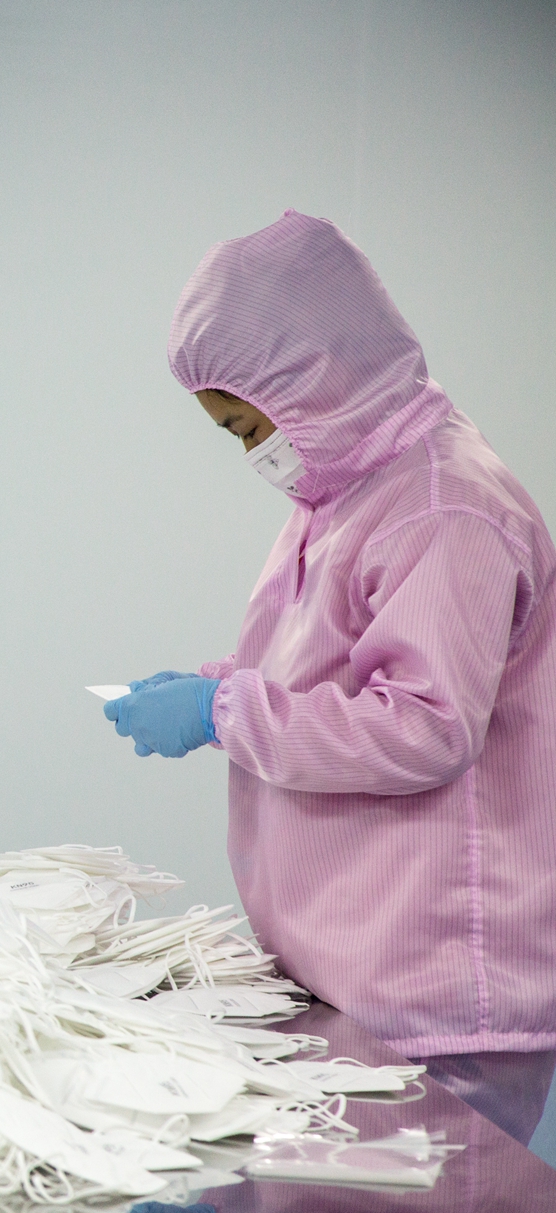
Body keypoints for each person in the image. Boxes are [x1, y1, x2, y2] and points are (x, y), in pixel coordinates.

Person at [100, 211, 556, 1142]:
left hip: (435, 987)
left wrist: (224, 711)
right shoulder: (349, 493)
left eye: (246, 427)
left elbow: (423, 726)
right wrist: (218, 686)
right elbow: (329, 665)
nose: (251, 454)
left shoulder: (442, 508)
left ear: (312, 379)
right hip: (364, 973)